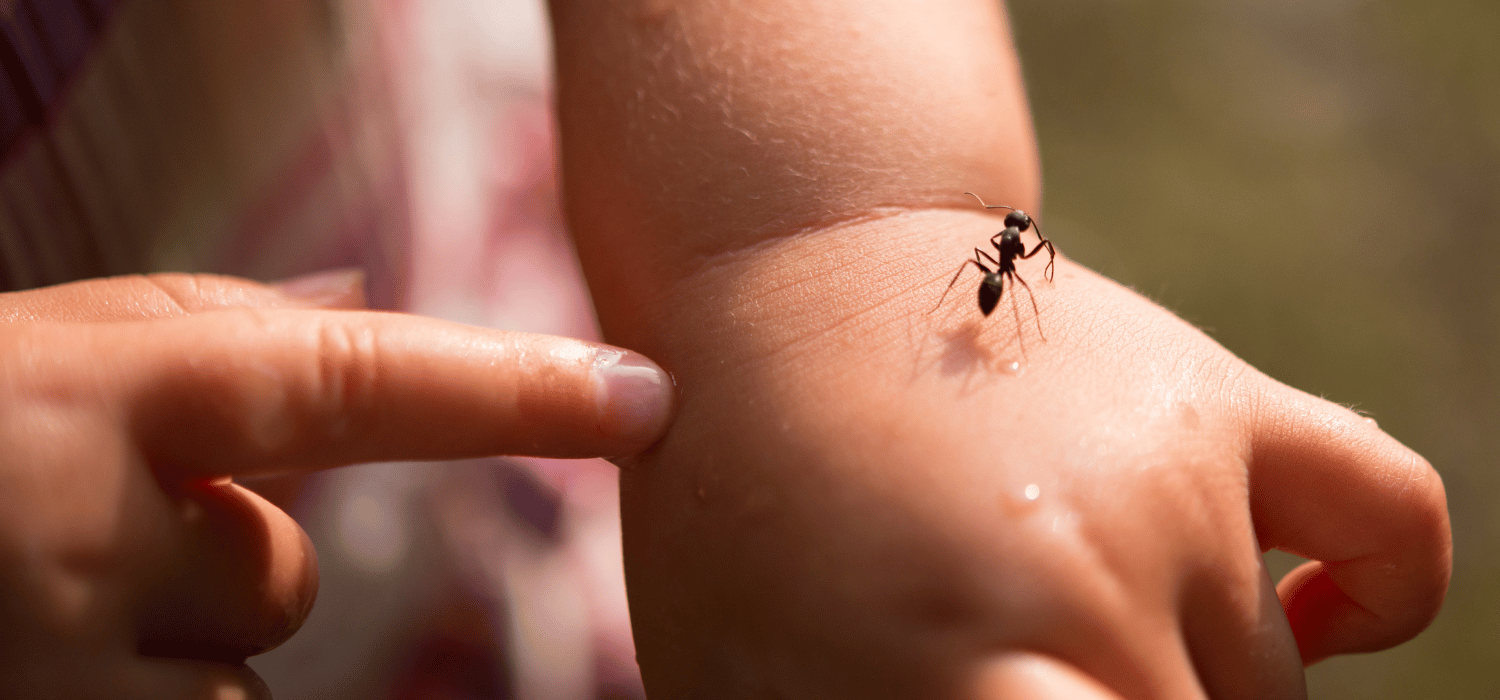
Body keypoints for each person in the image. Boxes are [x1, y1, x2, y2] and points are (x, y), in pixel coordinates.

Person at [0, 1, 1450, 699]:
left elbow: (989, 260)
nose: (1008, 265)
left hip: (487, 429)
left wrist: (839, 226)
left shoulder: (989, 265)